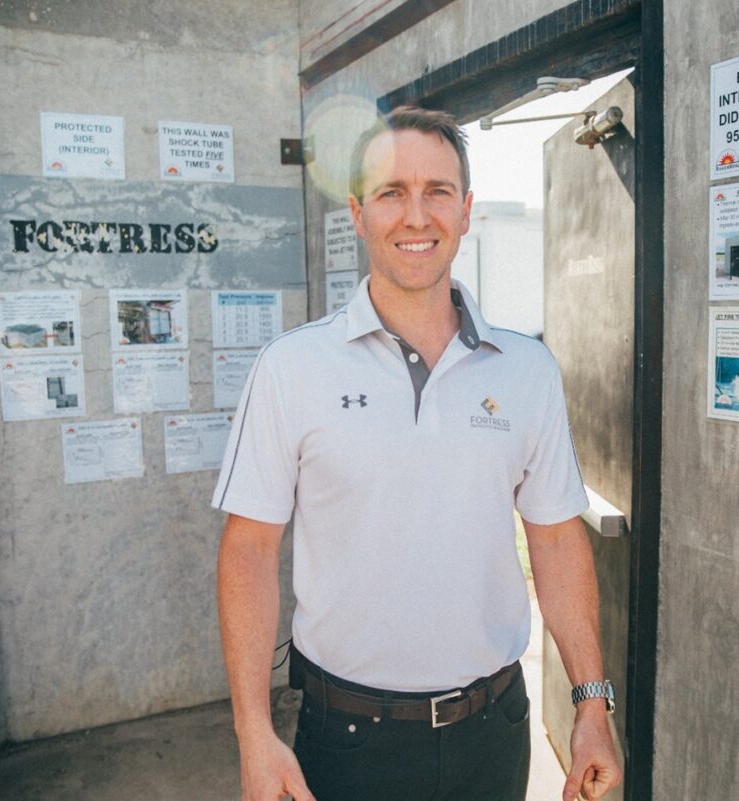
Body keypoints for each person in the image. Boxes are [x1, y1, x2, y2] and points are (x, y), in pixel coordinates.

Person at [215, 105, 621, 801]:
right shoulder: (292, 369)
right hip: (346, 742)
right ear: (358, 213)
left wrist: (590, 702)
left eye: (436, 191)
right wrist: (254, 733)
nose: (415, 215)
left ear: (466, 212)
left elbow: (554, 538)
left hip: (492, 731)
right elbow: (248, 550)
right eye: (391, 193)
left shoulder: (526, 371)